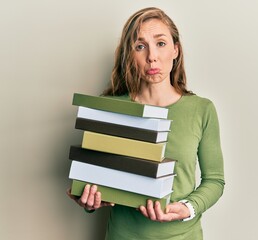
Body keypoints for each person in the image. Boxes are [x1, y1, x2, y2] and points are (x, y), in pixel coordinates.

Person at [67, 7, 225, 240]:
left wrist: (187, 208)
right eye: (140, 46)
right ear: (130, 55)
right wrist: (89, 200)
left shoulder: (202, 109)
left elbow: (215, 180)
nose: (152, 56)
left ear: (176, 50)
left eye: (160, 43)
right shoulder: (108, 109)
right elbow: (96, 179)